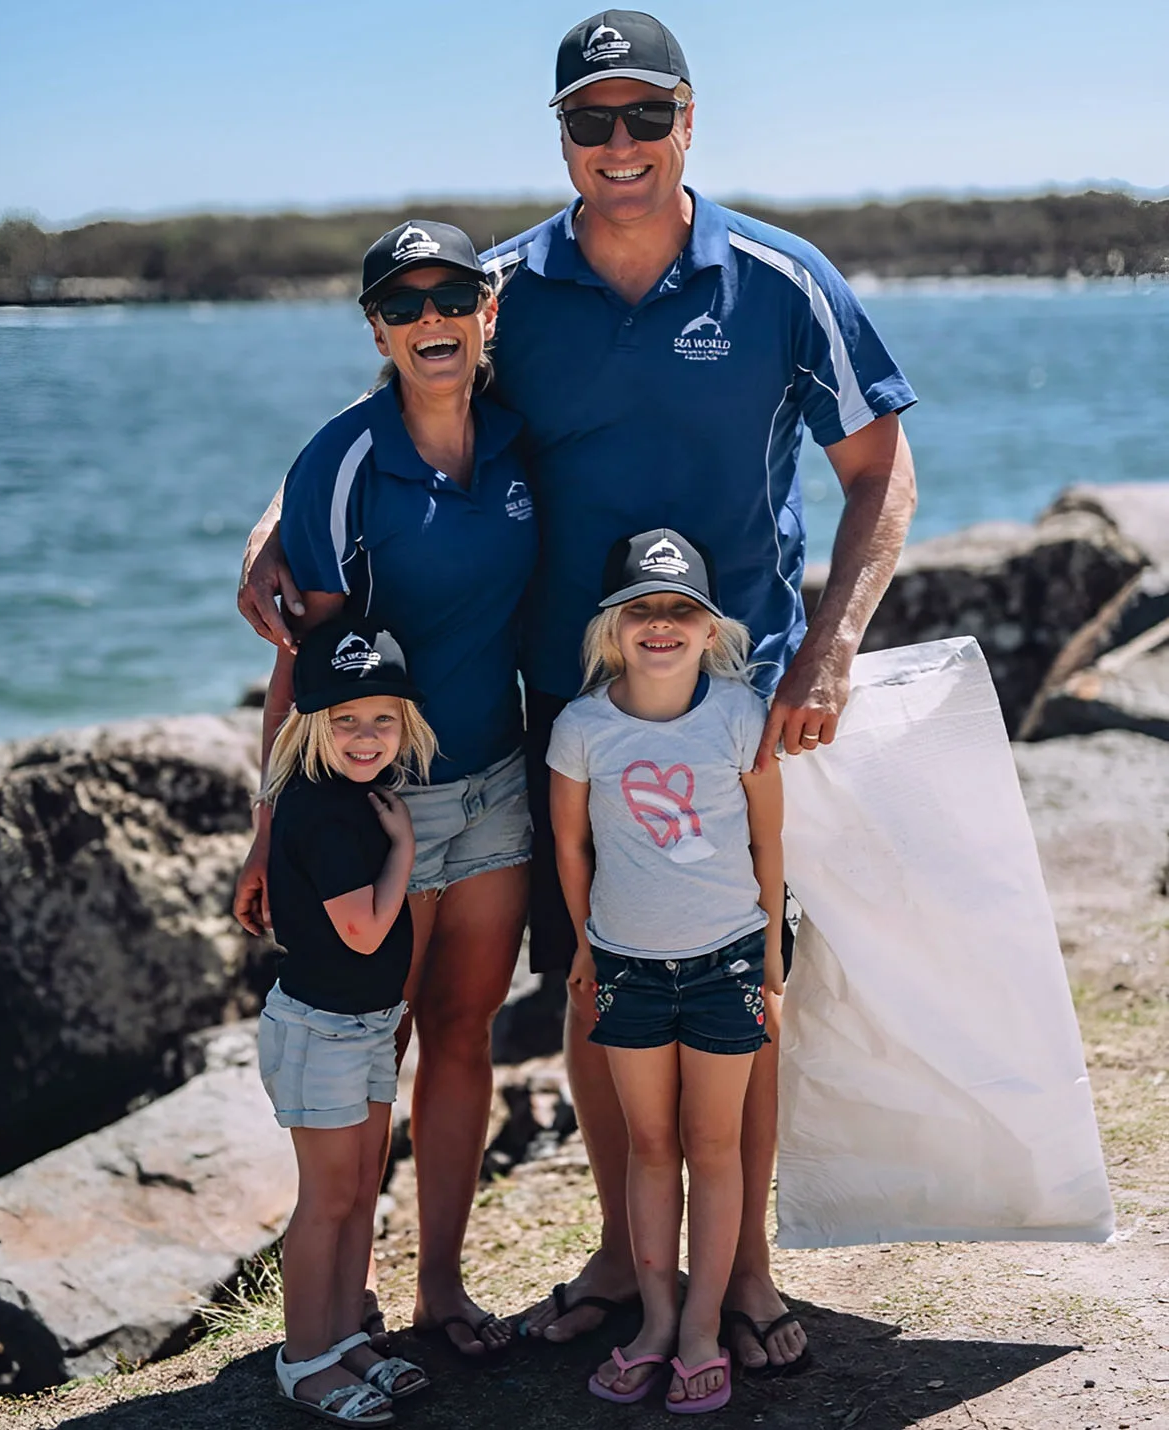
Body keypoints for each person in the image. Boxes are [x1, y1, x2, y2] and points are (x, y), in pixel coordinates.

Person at [237, 11, 918, 1373]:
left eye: (644, 115)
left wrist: (832, 647)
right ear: (561, 136)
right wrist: (274, 521)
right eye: (591, 120)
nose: (620, 144)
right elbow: (395, 399)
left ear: (688, 120)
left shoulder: (782, 280)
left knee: (740, 978)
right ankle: (622, 1254)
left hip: (736, 704)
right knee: (602, 976)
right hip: (565, 711)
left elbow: (879, 468)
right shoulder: (499, 288)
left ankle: (746, 1271)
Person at [234, 219, 538, 1357]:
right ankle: (343, 1301)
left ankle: (442, 1291)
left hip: (499, 784)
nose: (430, 320)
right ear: (377, 331)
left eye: (450, 297)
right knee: (379, 1039)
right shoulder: (345, 460)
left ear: (486, 312)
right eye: (402, 306)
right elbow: (301, 660)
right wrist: (270, 828)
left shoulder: (520, 438)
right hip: (382, 810)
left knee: (464, 1031)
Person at [549, 529, 786, 1413]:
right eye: (640, 609)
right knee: (650, 1147)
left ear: (710, 629)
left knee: (714, 1147)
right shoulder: (581, 728)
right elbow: (570, 847)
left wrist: (769, 950)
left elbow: (769, 838)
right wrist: (584, 945)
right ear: (611, 629)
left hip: (727, 963)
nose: (660, 624)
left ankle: (701, 1329)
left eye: (680, 610)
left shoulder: (740, 714)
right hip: (627, 968)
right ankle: (654, 1322)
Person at [257, 616, 435, 1425]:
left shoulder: (357, 796)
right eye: (345, 720)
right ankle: (304, 1359)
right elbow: (362, 929)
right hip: (321, 1030)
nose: (366, 736)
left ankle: (344, 1338)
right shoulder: (323, 812)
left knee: (361, 1190)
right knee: (327, 1199)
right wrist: (403, 852)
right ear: (309, 723)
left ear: (407, 721)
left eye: (382, 718)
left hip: (367, 1022)